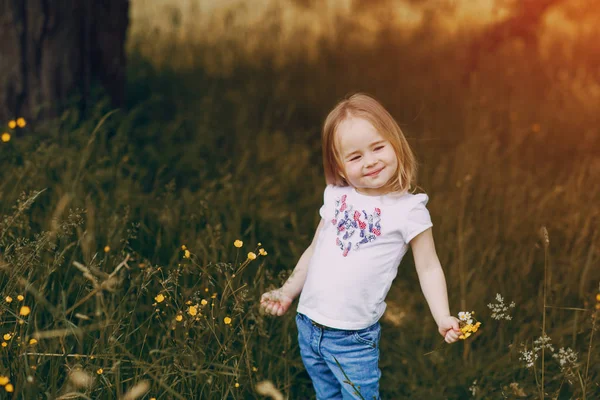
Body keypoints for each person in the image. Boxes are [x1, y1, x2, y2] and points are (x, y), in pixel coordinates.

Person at [259, 93, 461, 400]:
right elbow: (315, 250)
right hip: (309, 324)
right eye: (355, 157)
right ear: (339, 167)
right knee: (326, 395)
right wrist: (287, 292)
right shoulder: (336, 196)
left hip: (353, 337)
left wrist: (443, 316)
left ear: (395, 143)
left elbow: (429, 266)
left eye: (378, 147)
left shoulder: (409, 210)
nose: (370, 161)